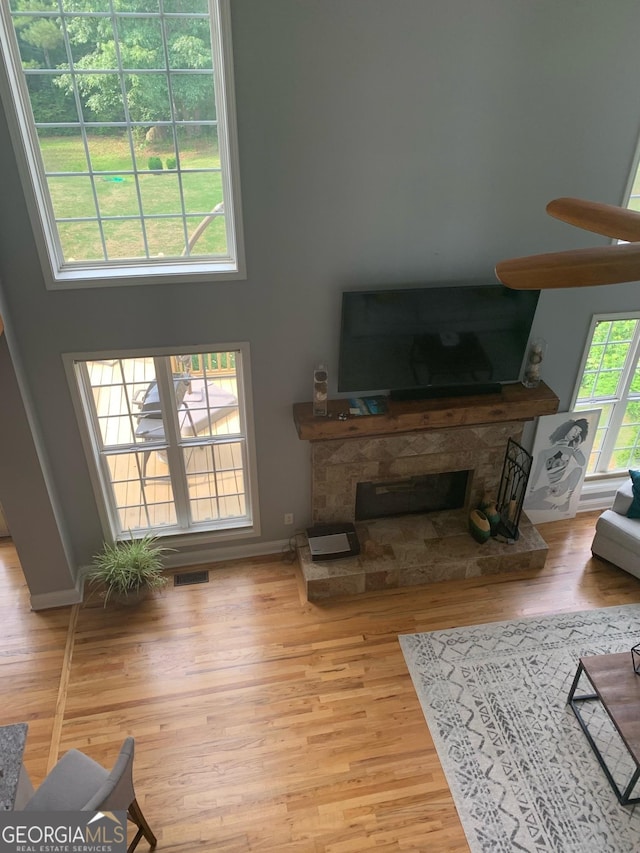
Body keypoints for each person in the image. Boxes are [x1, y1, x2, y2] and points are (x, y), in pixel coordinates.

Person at [526, 418, 589, 513]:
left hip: (563, 486)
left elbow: (582, 463)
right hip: (549, 487)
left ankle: (566, 500)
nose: (576, 434)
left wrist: (577, 448)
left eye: (579, 432)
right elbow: (536, 472)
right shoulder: (545, 452)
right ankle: (555, 507)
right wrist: (531, 489)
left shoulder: (571, 450)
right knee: (527, 503)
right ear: (568, 428)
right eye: (575, 430)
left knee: (578, 470)